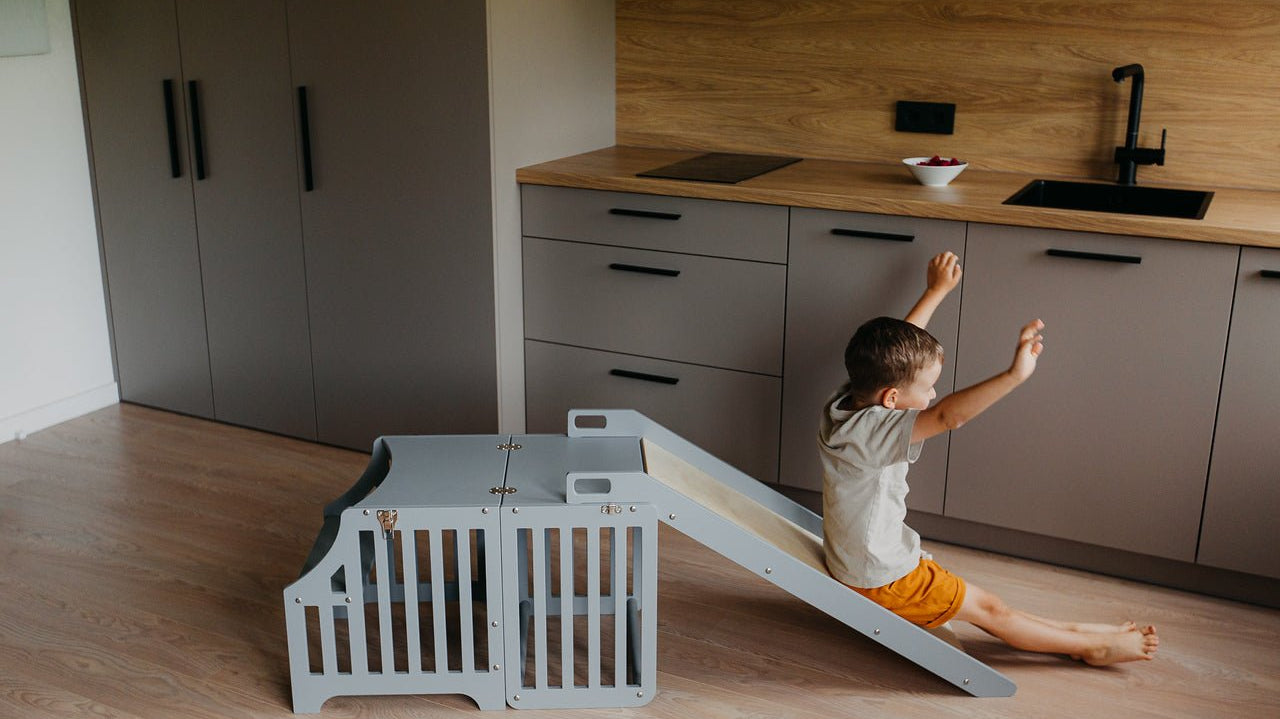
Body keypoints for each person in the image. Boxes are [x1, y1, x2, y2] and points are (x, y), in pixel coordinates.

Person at [819, 251, 1158, 666]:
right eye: (928, 388)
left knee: (990, 604)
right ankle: (1092, 647)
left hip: (864, 562)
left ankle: (1077, 633)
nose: (930, 397)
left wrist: (936, 291)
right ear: (892, 399)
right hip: (881, 578)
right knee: (992, 612)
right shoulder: (877, 430)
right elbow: (949, 416)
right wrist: (1014, 376)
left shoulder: (849, 401)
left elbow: (898, 354)